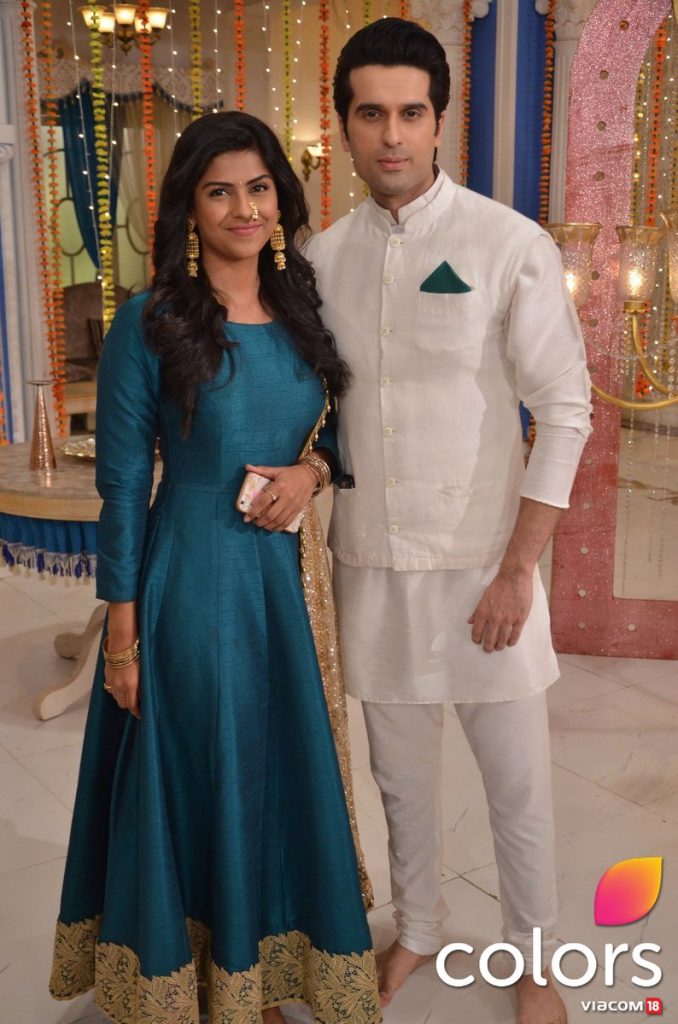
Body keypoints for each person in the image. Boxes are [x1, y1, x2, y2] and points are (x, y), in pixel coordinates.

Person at [49, 111, 381, 1024]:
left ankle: (260, 971)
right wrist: (122, 639)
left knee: (277, 770)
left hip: (288, 585)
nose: (245, 209)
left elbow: (337, 433)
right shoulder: (151, 322)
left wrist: (313, 475)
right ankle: (199, 977)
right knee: (209, 767)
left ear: (282, 195)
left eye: (259, 188)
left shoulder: (305, 309)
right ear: (189, 210)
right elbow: (123, 487)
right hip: (192, 581)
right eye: (220, 191)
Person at [305, 18, 592, 1024]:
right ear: (344, 125)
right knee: (399, 778)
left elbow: (564, 409)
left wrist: (519, 571)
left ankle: (537, 957)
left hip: (484, 570)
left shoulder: (507, 243)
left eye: (410, 113)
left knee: (517, 784)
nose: (392, 134)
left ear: (440, 122)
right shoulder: (320, 258)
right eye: (370, 113)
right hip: (370, 563)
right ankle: (418, 925)